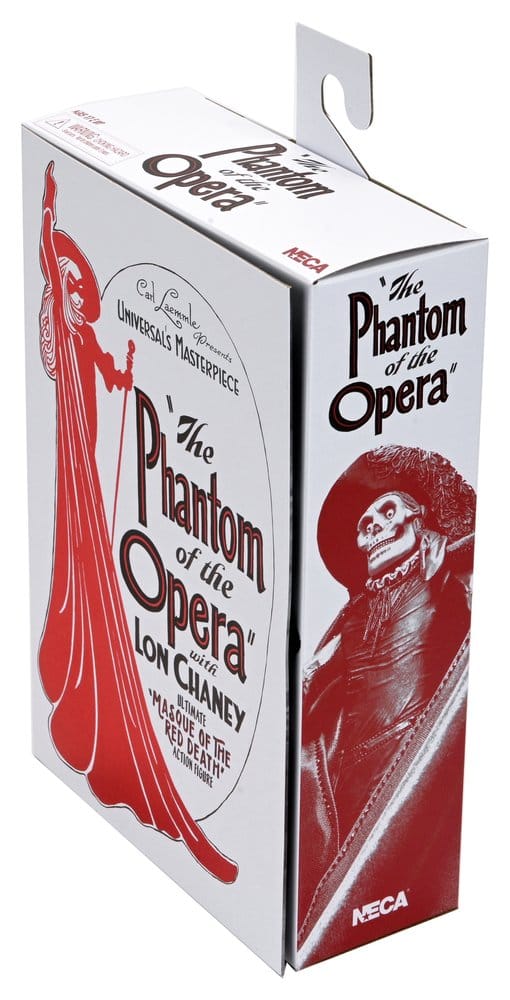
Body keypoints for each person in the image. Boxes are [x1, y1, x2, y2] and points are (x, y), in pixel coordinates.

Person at [38, 161, 237, 883]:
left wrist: (125, 367)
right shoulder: (64, 327)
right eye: (68, 284)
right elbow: (47, 259)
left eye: (78, 285)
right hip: (75, 452)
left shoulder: (85, 334)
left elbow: (115, 378)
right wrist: (49, 216)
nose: (76, 292)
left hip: (90, 448)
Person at [299, 445, 475, 936]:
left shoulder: (449, 563)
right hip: (349, 772)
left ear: (418, 518)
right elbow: (319, 686)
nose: (372, 530)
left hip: (420, 750)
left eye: (387, 512)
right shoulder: (352, 615)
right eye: (365, 525)